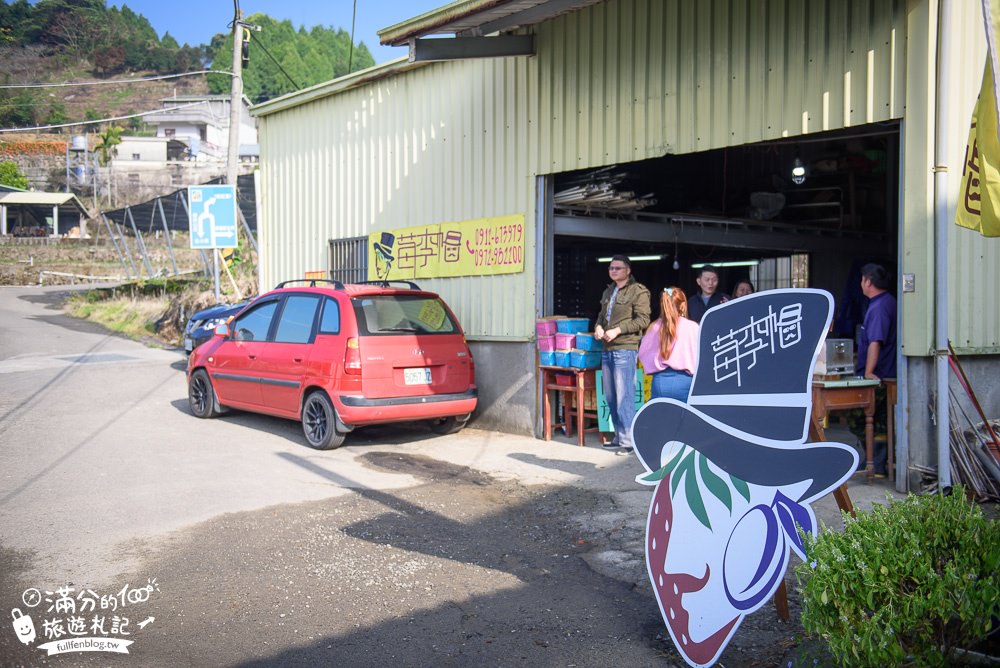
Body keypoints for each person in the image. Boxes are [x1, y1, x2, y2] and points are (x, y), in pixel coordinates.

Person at [594, 255, 651, 453]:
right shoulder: (609, 291)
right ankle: (619, 437)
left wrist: (618, 330)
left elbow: (643, 320)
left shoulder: (638, 291)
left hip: (625, 348)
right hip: (607, 349)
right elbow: (601, 317)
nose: (614, 271)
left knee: (624, 396)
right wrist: (598, 327)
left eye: (618, 268)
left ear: (628, 270)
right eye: (611, 268)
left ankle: (628, 441)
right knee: (611, 396)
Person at [849, 262, 897, 476]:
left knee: (860, 417)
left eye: (862, 279)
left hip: (879, 375)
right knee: (876, 420)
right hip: (882, 373)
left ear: (868, 281)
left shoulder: (879, 307)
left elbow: (876, 341)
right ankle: (875, 461)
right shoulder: (885, 303)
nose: (861, 283)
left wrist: (868, 372)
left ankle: (876, 462)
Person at [639, 287, 699, 401]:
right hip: (686, 382)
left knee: (662, 418)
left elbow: (642, 354)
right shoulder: (693, 327)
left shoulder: (654, 326)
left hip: (659, 381)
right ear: (682, 306)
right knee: (684, 418)